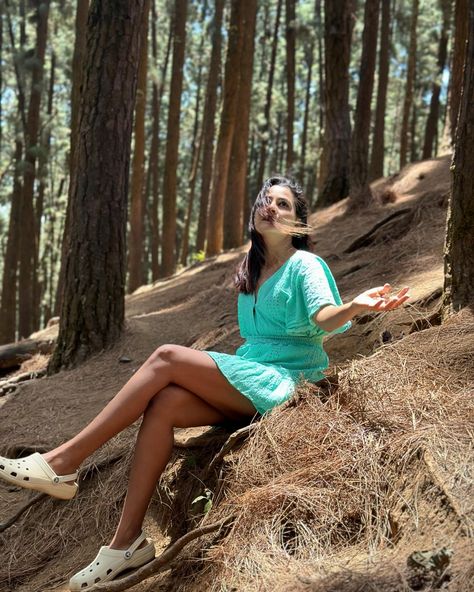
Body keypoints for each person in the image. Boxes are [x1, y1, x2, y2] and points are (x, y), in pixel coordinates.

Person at [0, 175, 409, 590]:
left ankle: (63, 462)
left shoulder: (305, 265)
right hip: (253, 378)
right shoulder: (252, 268)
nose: (271, 208)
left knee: (166, 357)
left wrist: (354, 305)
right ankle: (126, 544)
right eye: (265, 201)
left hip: (287, 381)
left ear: (299, 221)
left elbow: (323, 317)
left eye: (283, 204)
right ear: (254, 215)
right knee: (165, 405)